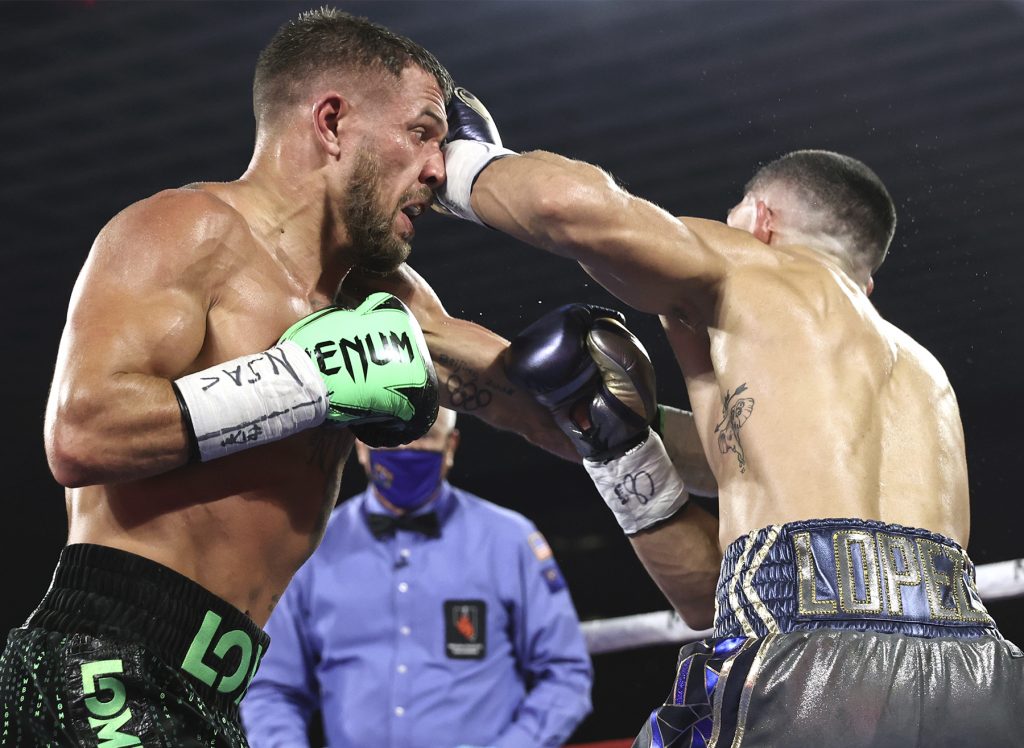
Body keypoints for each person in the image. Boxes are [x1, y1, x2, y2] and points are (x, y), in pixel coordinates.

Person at [0, 11, 578, 748]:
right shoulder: (187, 231)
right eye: (424, 133)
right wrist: (309, 382)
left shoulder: (386, 299)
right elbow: (84, 434)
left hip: (212, 693)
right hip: (104, 664)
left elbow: (541, 413)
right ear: (332, 120)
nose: (438, 167)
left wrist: (657, 427)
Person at [431, 90, 1024, 746]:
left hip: (812, 656)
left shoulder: (756, 264)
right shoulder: (922, 376)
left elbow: (566, 206)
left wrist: (466, 164)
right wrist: (623, 434)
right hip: (976, 667)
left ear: (761, 221)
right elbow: (757, 467)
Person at [239, 408, 593, 748]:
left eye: (423, 437)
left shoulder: (509, 540)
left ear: (450, 447)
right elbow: (272, 690)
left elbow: (565, 675)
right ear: (361, 446)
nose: (407, 449)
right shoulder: (312, 548)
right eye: (392, 438)